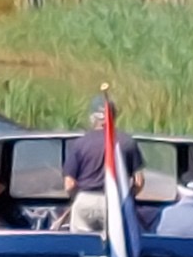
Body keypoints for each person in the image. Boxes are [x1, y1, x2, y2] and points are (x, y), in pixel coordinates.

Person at [60, 97, 144, 234]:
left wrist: (78, 198)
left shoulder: (80, 144)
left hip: (85, 200)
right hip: (115, 201)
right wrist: (127, 198)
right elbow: (139, 182)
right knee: (116, 245)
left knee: (81, 245)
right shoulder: (127, 142)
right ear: (114, 117)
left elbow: (69, 184)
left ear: (92, 117)